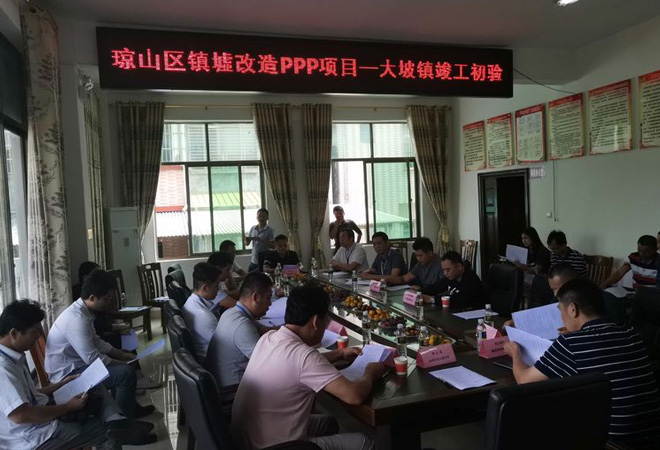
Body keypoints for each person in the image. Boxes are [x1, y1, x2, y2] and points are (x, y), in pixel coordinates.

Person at [504, 278, 660, 449]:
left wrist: (515, 353)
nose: (562, 318)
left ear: (572, 309)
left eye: (561, 311)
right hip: (650, 436)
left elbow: (524, 380)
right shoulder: (630, 333)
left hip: (610, 442)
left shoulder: (571, 343)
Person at [231, 285, 385, 450]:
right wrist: (370, 373)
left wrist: (339, 354)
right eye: (325, 322)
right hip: (276, 446)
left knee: (327, 423)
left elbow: (298, 366)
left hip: (246, 437)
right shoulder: (303, 356)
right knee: (364, 442)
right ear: (316, 322)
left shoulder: (269, 338)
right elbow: (354, 396)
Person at [0, 300, 120, 450]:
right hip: (31, 438)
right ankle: (116, 424)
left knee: (93, 390)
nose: (38, 336)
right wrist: (67, 407)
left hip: (37, 421)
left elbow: (29, 395)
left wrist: (61, 384)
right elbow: (20, 415)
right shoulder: (3, 367)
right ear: (14, 333)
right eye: (35, 331)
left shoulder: (13, 355)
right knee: (102, 430)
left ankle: (116, 419)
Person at [45, 270, 155, 421]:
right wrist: (120, 362)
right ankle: (126, 419)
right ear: (92, 298)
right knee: (125, 373)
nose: (109, 302)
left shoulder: (84, 311)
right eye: (106, 299)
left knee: (123, 367)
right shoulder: (77, 319)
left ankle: (127, 409)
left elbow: (96, 341)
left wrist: (120, 354)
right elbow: (92, 358)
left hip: (78, 365)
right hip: (68, 374)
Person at [207, 273, 274, 387]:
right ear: (255, 298)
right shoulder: (242, 326)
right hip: (234, 390)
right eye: (268, 298)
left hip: (227, 382)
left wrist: (291, 328)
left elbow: (265, 330)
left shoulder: (232, 312)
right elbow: (268, 364)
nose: (270, 303)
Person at [182, 262, 223, 362]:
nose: (218, 289)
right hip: (210, 360)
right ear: (205, 287)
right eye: (216, 285)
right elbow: (223, 347)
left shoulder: (191, 301)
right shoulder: (203, 315)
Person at [245, 208, 275, 272]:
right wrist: (246, 240)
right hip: (253, 260)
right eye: (259, 216)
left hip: (263, 261)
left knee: (261, 277)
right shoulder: (253, 228)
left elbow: (273, 246)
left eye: (263, 216)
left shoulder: (270, 231)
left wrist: (261, 240)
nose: (261, 218)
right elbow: (247, 243)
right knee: (249, 276)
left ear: (267, 218)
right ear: (257, 217)